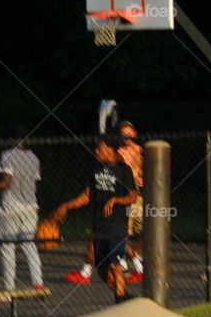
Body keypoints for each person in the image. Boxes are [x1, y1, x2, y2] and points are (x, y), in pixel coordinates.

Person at [53, 135, 138, 304]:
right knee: (102, 270)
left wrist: (116, 200)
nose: (96, 151)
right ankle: (124, 296)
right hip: (99, 226)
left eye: (100, 148)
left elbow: (133, 197)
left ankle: (120, 299)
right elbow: (87, 195)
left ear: (111, 149)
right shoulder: (96, 169)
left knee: (116, 264)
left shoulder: (124, 170)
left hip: (117, 225)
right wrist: (66, 206)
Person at [0, 126, 43, 292]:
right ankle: (38, 283)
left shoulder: (7, 155)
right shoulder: (34, 158)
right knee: (29, 245)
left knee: (7, 247)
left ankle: (9, 289)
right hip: (30, 206)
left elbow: (6, 184)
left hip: (10, 208)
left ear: (14, 139)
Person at [117, 120, 145, 282]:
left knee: (146, 230)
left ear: (134, 133)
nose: (126, 136)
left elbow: (145, 170)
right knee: (125, 231)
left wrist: (143, 178)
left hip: (140, 197)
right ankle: (124, 265)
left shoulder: (140, 151)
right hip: (127, 196)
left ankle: (136, 254)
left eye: (129, 133)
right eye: (123, 134)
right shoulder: (119, 152)